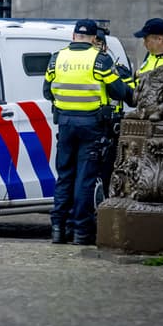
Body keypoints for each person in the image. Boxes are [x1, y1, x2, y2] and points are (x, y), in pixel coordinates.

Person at [42, 19, 134, 245]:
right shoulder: (100, 60)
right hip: (92, 126)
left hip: (64, 124)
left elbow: (47, 92)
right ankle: (80, 232)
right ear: (94, 38)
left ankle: (57, 228)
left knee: (64, 177)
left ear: (74, 36)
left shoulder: (57, 58)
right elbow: (119, 90)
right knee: (85, 179)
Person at [94, 28, 135, 198]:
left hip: (110, 130)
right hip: (90, 125)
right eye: (93, 43)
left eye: (98, 43)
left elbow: (132, 97)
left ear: (104, 47)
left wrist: (118, 81)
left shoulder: (119, 69)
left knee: (109, 174)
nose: (95, 47)